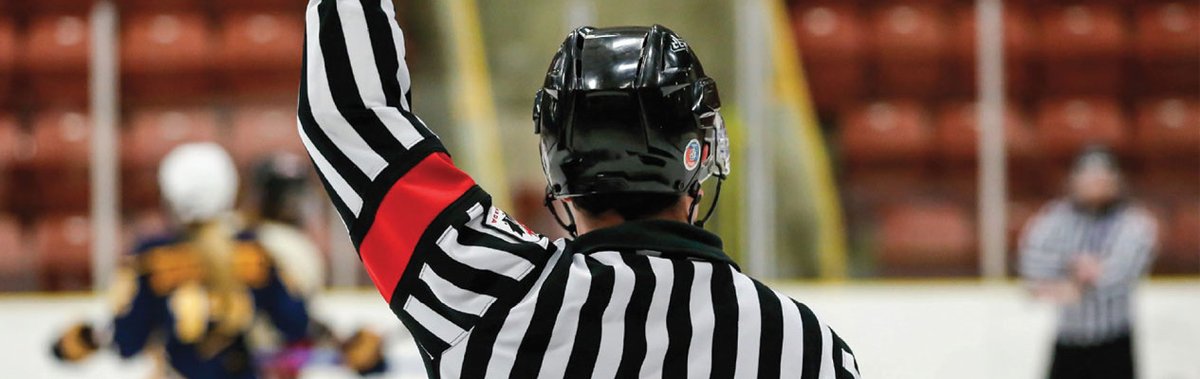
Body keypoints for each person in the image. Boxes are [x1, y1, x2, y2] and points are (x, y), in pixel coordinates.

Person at [296, 1, 860, 378]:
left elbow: (349, 115)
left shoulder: (491, 290)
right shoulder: (803, 345)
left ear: (558, 166)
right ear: (699, 154)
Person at [1020, 146, 1158, 379]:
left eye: (1103, 177)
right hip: (1068, 340)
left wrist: (1071, 281)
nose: (1096, 184)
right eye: (1090, 177)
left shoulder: (1133, 224)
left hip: (1114, 342)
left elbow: (1122, 275)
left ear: (1116, 181)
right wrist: (1081, 270)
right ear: (1074, 180)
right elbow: (1033, 267)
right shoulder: (1054, 219)